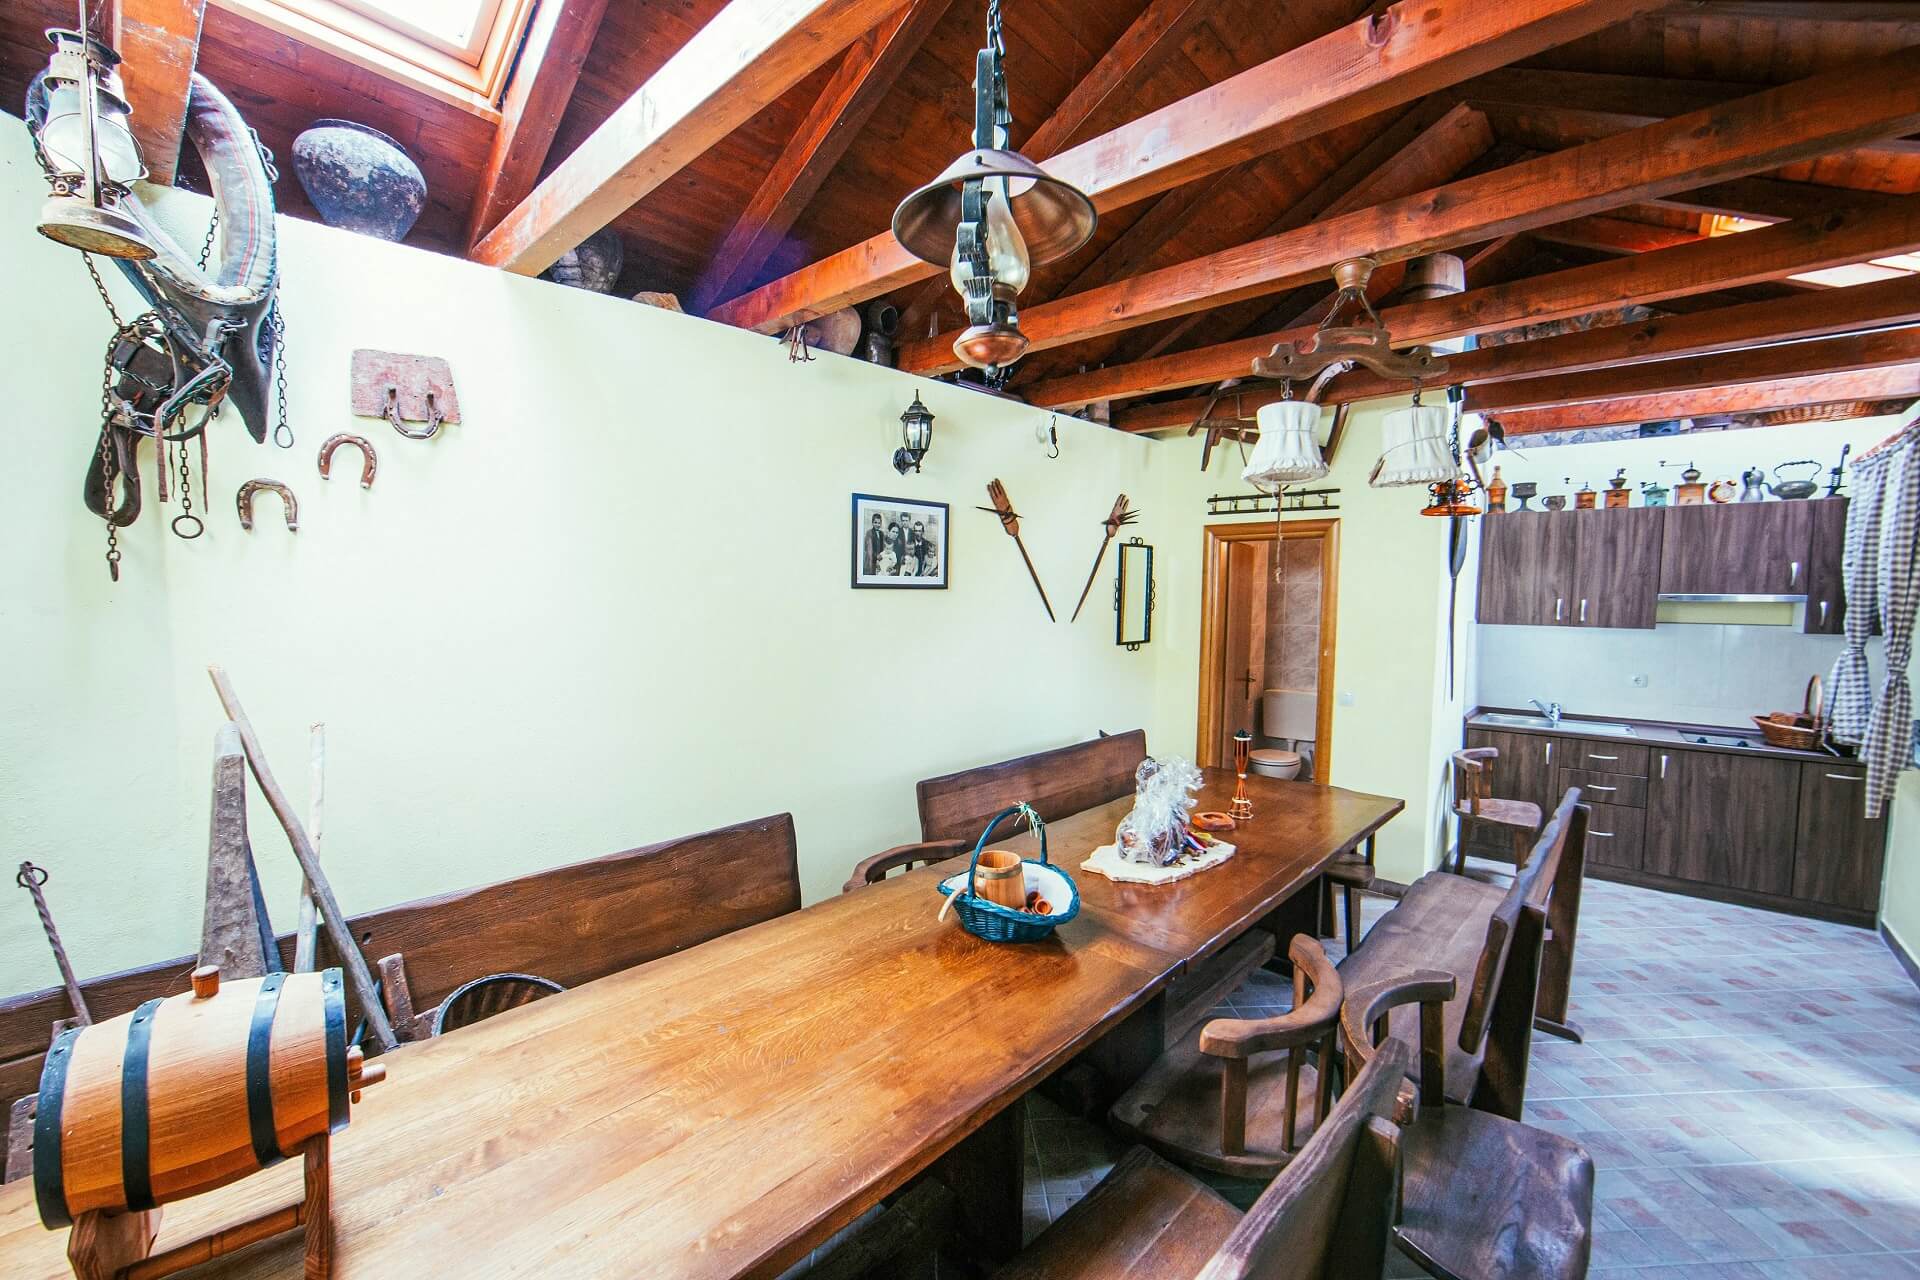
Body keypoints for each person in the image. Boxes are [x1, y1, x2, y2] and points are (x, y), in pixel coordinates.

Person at [863, 511, 885, 576]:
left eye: (879, 523)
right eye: (875, 522)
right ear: (872, 523)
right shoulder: (869, 532)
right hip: (871, 560)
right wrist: (876, 556)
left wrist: (882, 555)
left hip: (880, 560)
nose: (877, 525)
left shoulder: (882, 533)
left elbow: (883, 546)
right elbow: (868, 548)